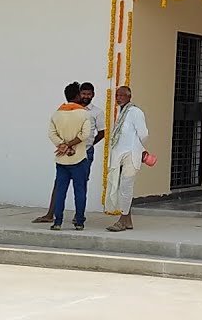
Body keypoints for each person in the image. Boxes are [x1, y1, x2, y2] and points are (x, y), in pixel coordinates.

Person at [34, 82, 106, 224]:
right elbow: (83, 134)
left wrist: (66, 145)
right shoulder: (76, 112)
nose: (85, 96)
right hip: (70, 151)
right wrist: (68, 146)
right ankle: (57, 215)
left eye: (88, 94)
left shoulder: (95, 112)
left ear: (93, 95)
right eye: (83, 93)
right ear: (78, 95)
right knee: (64, 185)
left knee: (78, 184)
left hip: (83, 151)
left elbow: (100, 133)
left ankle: (73, 217)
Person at [47, 82, 93, 231]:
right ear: (77, 95)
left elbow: (51, 134)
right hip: (79, 158)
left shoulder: (56, 114)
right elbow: (85, 135)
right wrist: (71, 145)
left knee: (61, 191)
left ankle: (58, 221)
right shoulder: (84, 114)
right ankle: (79, 221)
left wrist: (62, 145)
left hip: (61, 159)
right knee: (80, 191)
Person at [105, 86, 149, 232]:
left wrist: (138, 149)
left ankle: (122, 220)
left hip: (131, 154)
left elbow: (144, 134)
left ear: (129, 97)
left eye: (122, 95)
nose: (118, 98)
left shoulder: (135, 112)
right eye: (117, 95)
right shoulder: (121, 113)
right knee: (120, 186)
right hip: (119, 155)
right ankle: (128, 220)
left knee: (126, 186)